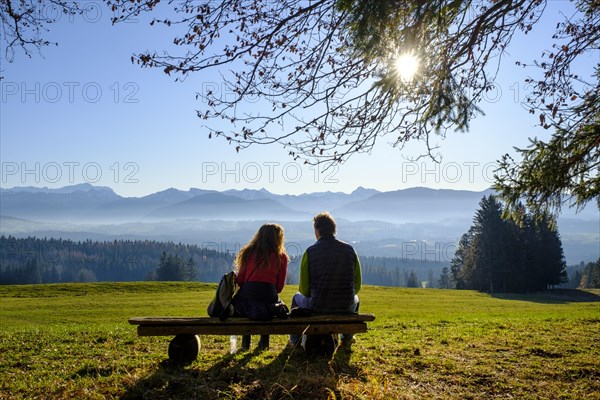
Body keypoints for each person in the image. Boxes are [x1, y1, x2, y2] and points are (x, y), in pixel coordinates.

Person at [290, 212, 362, 349]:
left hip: (317, 306)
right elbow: (357, 285)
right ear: (334, 230)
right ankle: (347, 339)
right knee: (356, 298)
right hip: (346, 306)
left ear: (317, 230)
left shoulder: (310, 252)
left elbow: (304, 290)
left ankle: (295, 340)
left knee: (296, 297)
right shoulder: (349, 250)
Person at [232, 223, 289, 351]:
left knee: (247, 307)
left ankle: (245, 344)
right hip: (269, 295)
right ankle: (264, 344)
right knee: (269, 306)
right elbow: (279, 287)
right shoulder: (282, 257)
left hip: (248, 294)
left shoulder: (248, 252)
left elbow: (240, 280)